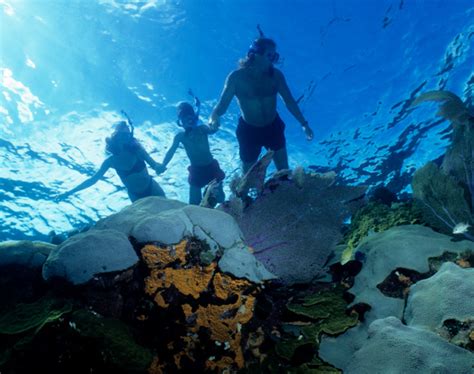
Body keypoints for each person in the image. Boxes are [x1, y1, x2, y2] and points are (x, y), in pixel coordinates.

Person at [209, 37, 314, 174]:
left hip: (273, 127)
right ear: (254, 54)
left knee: (284, 171)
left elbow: (289, 101)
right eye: (269, 55)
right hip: (249, 131)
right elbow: (221, 107)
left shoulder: (276, 76)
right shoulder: (236, 78)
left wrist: (304, 124)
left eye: (275, 56)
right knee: (247, 176)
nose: (273, 60)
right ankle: (246, 195)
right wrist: (214, 118)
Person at [56, 120, 166, 202]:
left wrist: (158, 167)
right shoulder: (110, 161)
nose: (125, 138)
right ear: (115, 137)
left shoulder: (138, 151)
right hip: (135, 195)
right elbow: (93, 180)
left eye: (127, 135)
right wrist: (69, 192)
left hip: (152, 188)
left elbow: (154, 164)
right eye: (122, 135)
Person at [156, 98, 225, 205]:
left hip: (211, 167)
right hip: (196, 171)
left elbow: (212, 129)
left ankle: (210, 194)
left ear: (194, 118)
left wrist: (215, 122)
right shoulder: (180, 136)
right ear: (180, 122)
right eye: (184, 119)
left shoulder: (202, 129)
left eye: (190, 118)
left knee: (220, 198)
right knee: (193, 204)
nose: (188, 121)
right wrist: (163, 164)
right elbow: (171, 151)